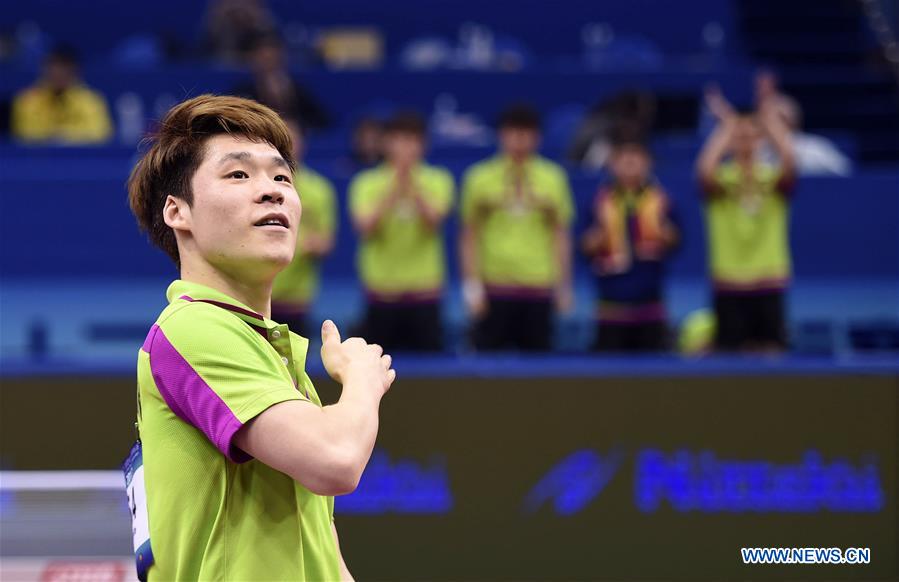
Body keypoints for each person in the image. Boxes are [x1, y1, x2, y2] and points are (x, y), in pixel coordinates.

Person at [127, 94, 394, 580]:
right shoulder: (194, 328)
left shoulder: (268, 351)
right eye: (238, 174)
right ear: (176, 211)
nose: (272, 191)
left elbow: (323, 550)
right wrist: (362, 380)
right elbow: (336, 460)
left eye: (281, 177)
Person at [460, 104, 575, 351]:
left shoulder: (553, 177)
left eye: (527, 133)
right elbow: (469, 236)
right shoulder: (479, 177)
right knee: (485, 373)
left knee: (538, 374)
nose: (520, 140)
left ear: (538, 138)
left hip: (538, 287)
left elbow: (561, 235)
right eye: (513, 132)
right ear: (501, 135)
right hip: (495, 288)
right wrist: (472, 288)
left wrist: (563, 286)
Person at [696, 98, 797, 353]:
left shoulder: (771, 179)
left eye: (752, 136)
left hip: (768, 278)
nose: (745, 141)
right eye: (739, 137)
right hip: (729, 279)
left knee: (773, 350)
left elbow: (790, 161)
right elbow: (704, 170)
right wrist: (727, 127)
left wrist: (770, 122)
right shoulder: (722, 180)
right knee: (729, 354)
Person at [349, 111, 454, 352]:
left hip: (424, 292)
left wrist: (413, 187)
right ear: (387, 144)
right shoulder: (366, 182)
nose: (405, 148)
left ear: (423, 145)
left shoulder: (439, 179)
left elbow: (434, 222)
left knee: (430, 373)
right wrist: (393, 190)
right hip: (382, 293)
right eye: (399, 140)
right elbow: (365, 228)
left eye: (412, 141)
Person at [581, 139, 678, 352]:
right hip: (611, 305)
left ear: (648, 162)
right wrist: (596, 237)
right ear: (612, 164)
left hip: (650, 304)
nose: (630, 163)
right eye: (623, 158)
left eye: (636, 158)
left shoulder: (661, 200)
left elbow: (676, 242)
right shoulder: (598, 202)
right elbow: (584, 248)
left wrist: (665, 233)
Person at [271, 118, 338, 337]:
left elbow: (326, 242)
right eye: (280, 142)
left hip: (297, 299)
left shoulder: (320, 190)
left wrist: (311, 245)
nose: (288, 148)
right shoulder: (258, 188)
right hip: (254, 297)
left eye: (292, 141)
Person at [11, 47, 113, 144]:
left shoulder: (91, 100)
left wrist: (64, 136)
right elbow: (25, 133)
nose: (58, 74)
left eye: (64, 70)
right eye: (54, 69)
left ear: (74, 72)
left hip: (79, 158)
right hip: (36, 159)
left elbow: (99, 133)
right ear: (45, 71)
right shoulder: (27, 99)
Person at [232, 33, 330, 130]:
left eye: (272, 58)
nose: (268, 64)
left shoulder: (297, 91)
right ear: (253, 60)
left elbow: (322, 122)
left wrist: (286, 100)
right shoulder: (242, 94)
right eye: (264, 59)